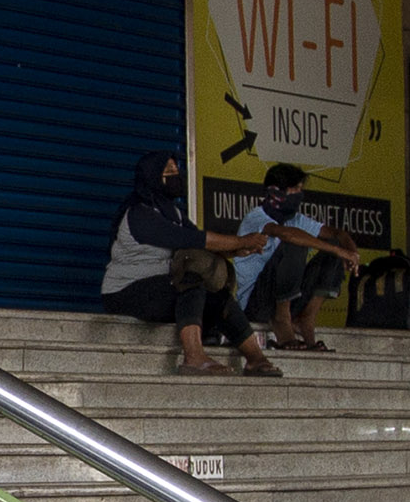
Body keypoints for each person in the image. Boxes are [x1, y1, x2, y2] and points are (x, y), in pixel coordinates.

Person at [99, 151, 281, 376]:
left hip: (159, 290)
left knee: (219, 297)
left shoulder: (173, 212)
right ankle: (193, 357)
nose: (176, 176)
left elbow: (200, 244)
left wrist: (236, 250)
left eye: (176, 170)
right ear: (152, 176)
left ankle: (255, 358)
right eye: (169, 172)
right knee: (190, 282)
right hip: (125, 292)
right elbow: (191, 239)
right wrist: (241, 239)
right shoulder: (139, 213)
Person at [232, 166, 358, 353]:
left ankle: (305, 318)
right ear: (276, 192)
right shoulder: (256, 217)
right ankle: (281, 320)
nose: (300, 194)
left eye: (301, 189)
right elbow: (285, 234)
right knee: (295, 242)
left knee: (330, 250)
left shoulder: (296, 218)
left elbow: (336, 233)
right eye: (295, 189)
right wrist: (339, 250)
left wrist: (351, 251)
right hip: (257, 304)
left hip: (289, 299)